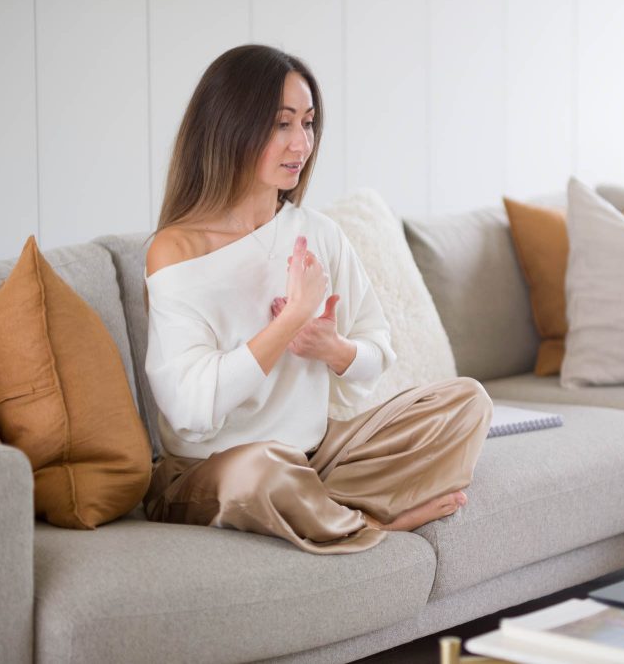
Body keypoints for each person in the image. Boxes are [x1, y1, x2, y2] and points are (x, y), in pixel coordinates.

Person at [141, 44, 491, 553]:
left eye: (308, 123)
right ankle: (374, 523)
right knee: (263, 472)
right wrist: (289, 322)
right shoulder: (176, 249)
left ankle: (317, 508)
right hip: (214, 472)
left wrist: (335, 350)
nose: (301, 143)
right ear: (229, 126)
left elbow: (376, 347)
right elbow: (190, 407)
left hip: (316, 455)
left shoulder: (319, 234)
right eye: (281, 124)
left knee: (466, 403)